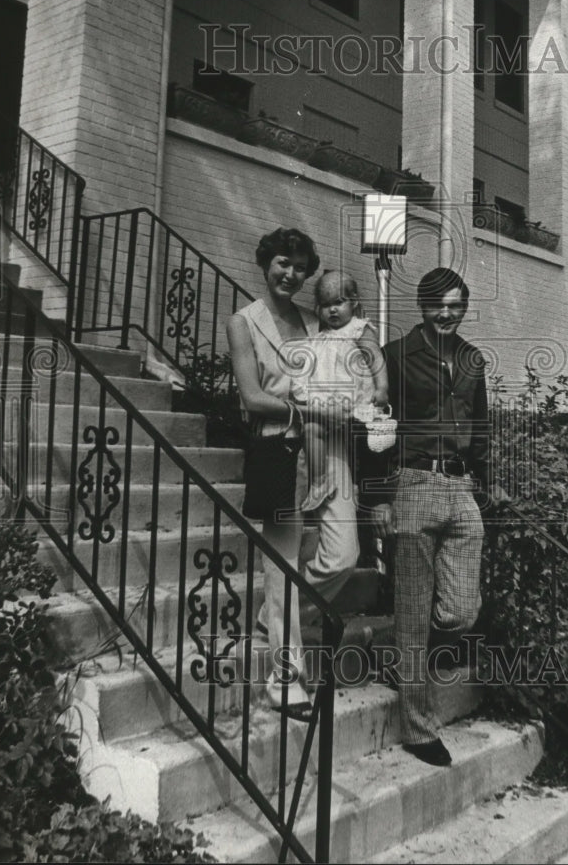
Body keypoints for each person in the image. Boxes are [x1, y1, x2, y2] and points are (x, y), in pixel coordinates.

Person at [369, 267, 506, 766]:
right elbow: (378, 425)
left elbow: (482, 422)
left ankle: (397, 652)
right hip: (412, 482)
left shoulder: (471, 359)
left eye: (455, 305)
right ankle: (418, 728)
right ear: (422, 307)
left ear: (464, 307)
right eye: (437, 305)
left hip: (460, 488)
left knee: (459, 612)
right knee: (412, 614)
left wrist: (490, 480)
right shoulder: (397, 356)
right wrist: (380, 497)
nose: (446, 313)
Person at [226, 228, 360, 721]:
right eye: (284, 262)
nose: (291, 274)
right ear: (267, 263)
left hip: (331, 454)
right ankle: (286, 684)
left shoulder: (316, 321)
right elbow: (252, 397)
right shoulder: (244, 322)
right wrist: (309, 412)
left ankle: (270, 618)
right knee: (281, 567)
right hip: (280, 452)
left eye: (301, 267)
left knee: (345, 556)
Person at [293, 270, 389, 511]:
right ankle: (320, 481)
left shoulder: (358, 329)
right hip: (329, 405)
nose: (332, 310)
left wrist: (383, 387)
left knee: (364, 446)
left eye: (338, 302)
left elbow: (376, 358)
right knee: (312, 429)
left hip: (356, 401)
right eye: (326, 305)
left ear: (354, 302)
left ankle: (358, 488)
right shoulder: (319, 337)